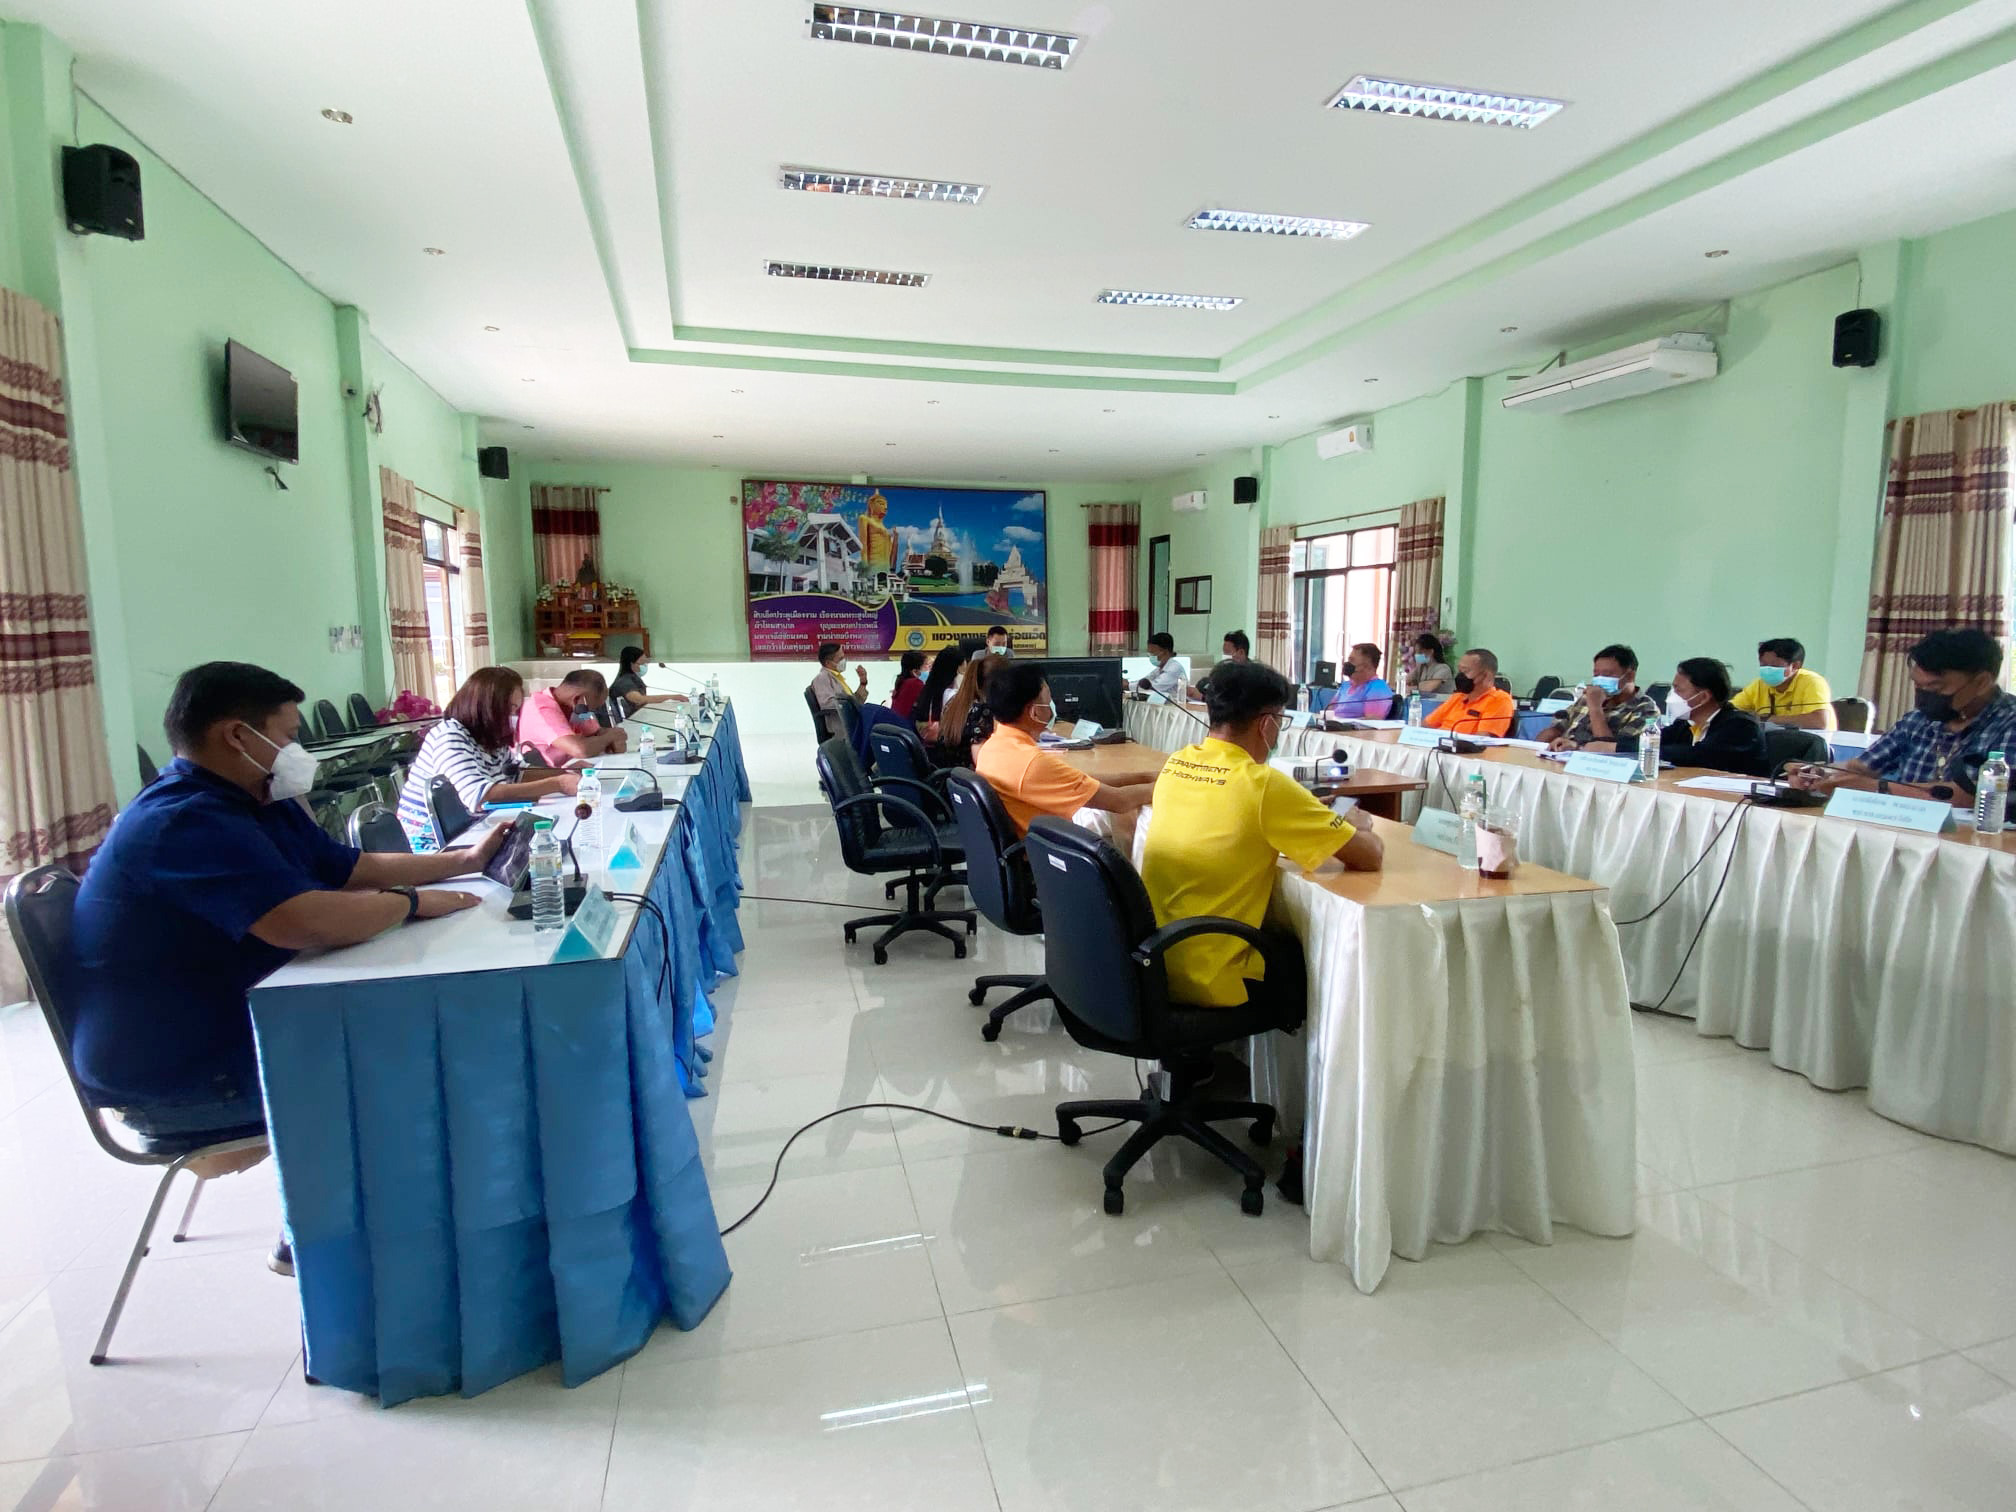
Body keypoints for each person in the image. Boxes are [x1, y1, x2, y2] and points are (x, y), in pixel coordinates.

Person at [68, 663, 505, 1270]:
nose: (298, 751)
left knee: (409, 1025)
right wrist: (409, 903)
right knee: (414, 1056)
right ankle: (326, 1240)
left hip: (234, 1022)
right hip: (180, 1074)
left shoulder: (253, 796)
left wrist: (463, 861)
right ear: (237, 735)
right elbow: (303, 921)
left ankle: (367, 1214)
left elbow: (343, 867)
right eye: (289, 734)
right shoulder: (182, 821)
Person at [1141, 660, 1383, 1011]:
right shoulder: (1265, 785)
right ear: (1267, 723)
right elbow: (1369, 856)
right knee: (1320, 957)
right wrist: (1357, 824)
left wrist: (1303, 811)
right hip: (1212, 974)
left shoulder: (1177, 763)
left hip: (1157, 959)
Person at [1790, 628, 2016, 800]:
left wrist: (1877, 788)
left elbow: (1975, 795)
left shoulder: (2009, 722)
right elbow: (1861, 767)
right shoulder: (1918, 720)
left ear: (1981, 682)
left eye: (1936, 688)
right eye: (1918, 686)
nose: (1925, 696)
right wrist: (1819, 773)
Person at [396, 667, 580, 846]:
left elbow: (517, 774)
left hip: (475, 827)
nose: (512, 716)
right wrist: (558, 784)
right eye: (509, 708)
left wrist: (569, 773)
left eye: (516, 710)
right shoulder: (450, 736)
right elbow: (480, 796)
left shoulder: (489, 737)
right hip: (434, 844)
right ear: (486, 705)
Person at [974, 662, 1155, 835]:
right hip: (1047, 849)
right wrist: (1165, 786)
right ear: (1034, 712)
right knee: (1125, 818)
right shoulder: (1032, 763)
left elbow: (1083, 781)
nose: (1052, 706)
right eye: (1049, 701)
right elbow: (1119, 801)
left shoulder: (993, 747)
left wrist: (1142, 777)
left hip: (1034, 841)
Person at [1656, 657, 1769, 776]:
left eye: (1678, 690)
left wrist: (1653, 751)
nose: (1672, 696)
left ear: (1704, 697)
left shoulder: (1741, 726)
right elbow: (1654, 741)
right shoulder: (1684, 724)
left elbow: (1700, 756)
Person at [1541, 644, 1661, 752]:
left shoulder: (1646, 710)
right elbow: (1556, 729)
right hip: (1561, 759)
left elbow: (1614, 750)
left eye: (1607, 675)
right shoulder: (1585, 699)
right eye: (1596, 674)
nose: (1599, 680)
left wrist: (1595, 708)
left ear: (1630, 676)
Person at [518, 669, 628, 765]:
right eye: (591, 709)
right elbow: (580, 750)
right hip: (543, 774)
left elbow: (596, 733)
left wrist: (614, 740)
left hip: (571, 768)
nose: (590, 713)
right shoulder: (541, 708)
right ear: (577, 699)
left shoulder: (578, 708)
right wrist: (609, 737)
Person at [1730, 637, 1835, 730]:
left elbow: (1819, 722)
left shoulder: (1812, 682)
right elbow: (1729, 711)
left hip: (1812, 743)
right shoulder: (1759, 685)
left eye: (1774, 666)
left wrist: (1765, 719)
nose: (1768, 670)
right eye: (1763, 665)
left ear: (1795, 666)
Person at [1423, 648, 1516, 736]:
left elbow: (1481, 739)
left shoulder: (1499, 700)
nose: (1460, 676)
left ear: (1486, 676)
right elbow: (1426, 725)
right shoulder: (1457, 697)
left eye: (1465, 671)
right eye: (1459, 671)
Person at [934, 653, 1000, 768]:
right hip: (969, 775)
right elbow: (982, 762)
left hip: (951, 775)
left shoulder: (953, 702)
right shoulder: (983, 711)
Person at [807, 640, 869, 741]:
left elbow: (856, 702)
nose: (844, 661)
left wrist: (863, 682)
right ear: (828, 662)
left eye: (843, 657)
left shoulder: (838, 678)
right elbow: (828, 704)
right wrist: (850, 703)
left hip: (853, 723)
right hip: (842, 728)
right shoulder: (822, 678)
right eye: (840, 659)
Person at [607, 645, 689, 717]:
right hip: (629, 722)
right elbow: (639, 699)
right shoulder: (624, 681)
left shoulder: (633, 677)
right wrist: (672, 697)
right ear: (632, 664)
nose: (645, 666)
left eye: (646, 663)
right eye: (642, 663)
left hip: (638, 717)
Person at [915, 642, 972, 740]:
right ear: (957, 669)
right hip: (946, 741)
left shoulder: (930, 687)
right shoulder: (952, 694)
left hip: (927, 738)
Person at [1326, 643, 1395, 720]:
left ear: (1367, 665)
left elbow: (1372, 721)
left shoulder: (1378, 688)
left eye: (1352, 660)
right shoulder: (1346, 685)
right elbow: (1329, 711)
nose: (1347, 664)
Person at [1191, 630, 1251, 697]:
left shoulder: (1252, 676)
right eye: (1224, 653)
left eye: (1227, 652)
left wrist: (1202, 697)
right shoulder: (1223, 668)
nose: (1225, 656)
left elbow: (1230, 699)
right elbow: (1204, 683)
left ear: (1241, 652)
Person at [1134, 632, 1189, 700]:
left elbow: (1155, 687)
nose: (1151, 656)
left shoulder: (1174, 668)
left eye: (1153, 653)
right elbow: (1145, 682)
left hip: (1177, 704)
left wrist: (1127, 686)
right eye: (1149, 653)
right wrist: (1127, 684)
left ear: (1165, 652)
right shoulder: (1159, 668)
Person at [888, 649, 927, 719]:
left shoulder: (901, 681)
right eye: (925, 665)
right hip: (906, 723)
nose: (928, 669)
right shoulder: (915, 683)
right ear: (915, 671)